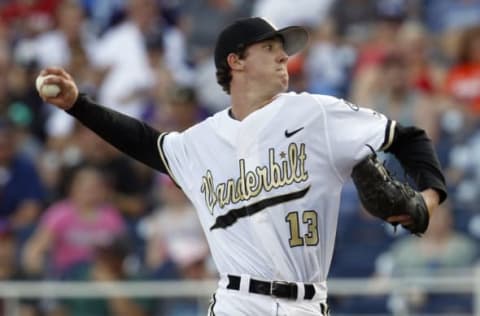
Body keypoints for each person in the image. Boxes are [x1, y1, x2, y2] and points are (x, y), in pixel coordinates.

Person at [37, 17, 447, 316]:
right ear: (236, 61)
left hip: (307, 303)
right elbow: (145, 142)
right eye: (269, 48)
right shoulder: (200, 142)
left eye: (282, 48)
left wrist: (428, 199)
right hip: (238, 302)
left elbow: (410, 138)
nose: (284, 55)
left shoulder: (317, 113)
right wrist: (79, 105)